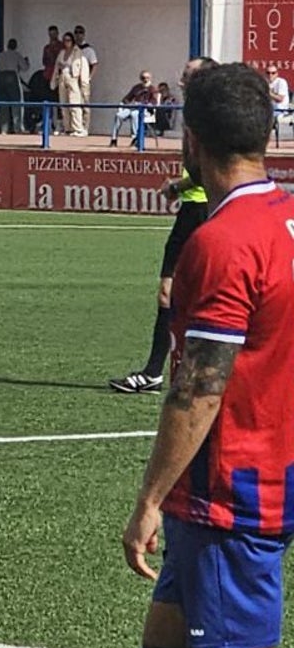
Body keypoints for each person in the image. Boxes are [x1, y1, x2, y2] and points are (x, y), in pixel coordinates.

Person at [122, 60, 294, 648]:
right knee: (164, 647)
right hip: (271, 466)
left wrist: (149, 498)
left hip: (235, 486)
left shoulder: (222, 243)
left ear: (190, 142)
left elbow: (197, 391)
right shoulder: (288, 218)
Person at [110, 57, 217, 395]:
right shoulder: (195, 115)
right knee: (167, 293)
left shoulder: (212, 118)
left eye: (189, 75)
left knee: (210, 296)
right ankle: (154, 371)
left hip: (205, 211)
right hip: (190, 212)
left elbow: (204, 171)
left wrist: (175, 187)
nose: (181, 79)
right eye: (183, 74)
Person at [49, 32, 88, 136]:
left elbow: (82, 67)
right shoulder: (62, 53)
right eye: (65, 40)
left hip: (73, 78)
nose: (67, 42)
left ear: (72, 41)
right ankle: (68, 128)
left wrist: (84, 83)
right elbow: (56, 67)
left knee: (74, 103)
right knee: (63, 104)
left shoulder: (78, 52)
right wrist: (54, 81)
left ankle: (77, 128)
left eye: (69, 40)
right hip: (62, 77)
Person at [109, 70, 159, 146]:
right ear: (140, 78)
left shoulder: (153, 89)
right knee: (119, 115)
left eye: (147, 78)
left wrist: (144, 104)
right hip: (133, 107)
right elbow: (126, 99)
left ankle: (135, 138)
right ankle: (114, 139)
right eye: (143, 78)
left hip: (145, 111)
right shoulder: (136, 87)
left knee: (134, 114)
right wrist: (126, 104)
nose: (145, 80)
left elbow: (154, 103)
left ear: (150, 78)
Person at [0, 39, 29, 133]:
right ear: (15, 46)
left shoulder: (0, 55)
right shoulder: (16, 55)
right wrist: (27, 61)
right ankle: (18, 128)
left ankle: (4, 129)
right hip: (12, 77)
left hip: (1, 78)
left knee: (3, 104)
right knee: (17, 103)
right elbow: (25, 68)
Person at [74, 25, 98, 131]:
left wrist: (89, 78)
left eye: (80, 32)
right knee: (73, 104)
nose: (78, 35)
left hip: (83, 81)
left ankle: (85, 127)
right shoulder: (72, 49)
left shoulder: (89, 50)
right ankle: (75, 126)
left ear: (84, 34)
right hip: (73, 80)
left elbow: (95, 64)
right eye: (76, 32)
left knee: (85, 104)